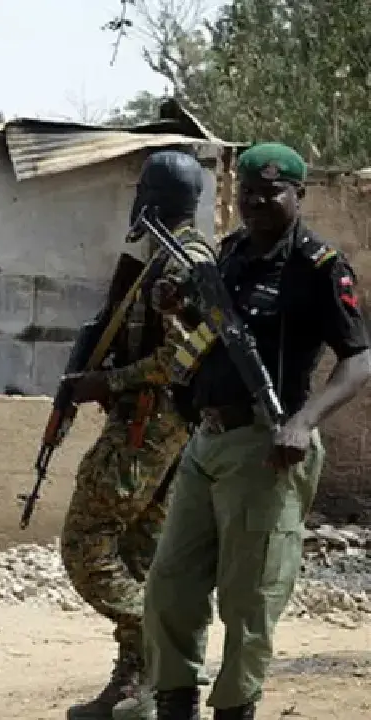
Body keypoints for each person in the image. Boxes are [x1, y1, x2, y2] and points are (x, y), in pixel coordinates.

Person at [135, 143, 371, 720]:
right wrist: (180, 304)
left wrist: (303, 422)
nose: (258, 204)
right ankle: (173, 702)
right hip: (207, 440)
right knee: (169, 586)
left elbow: (359, 360)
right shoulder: (232, 252)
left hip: (268, 447)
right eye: (248, 195)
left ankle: (236, 707)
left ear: (299, 195)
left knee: (249, 600)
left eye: (273, 194)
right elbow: (211, 329)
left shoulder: (319, 266)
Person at [56, 150, 213, 720]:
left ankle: (165, 647)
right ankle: (135, 689)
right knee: (137, 553)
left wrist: (105, 381)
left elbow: (178, 358)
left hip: (151, 422)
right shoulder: (173, 255)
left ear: (155, 196)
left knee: (85, 543)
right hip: (167, 427)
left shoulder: (179, 263)